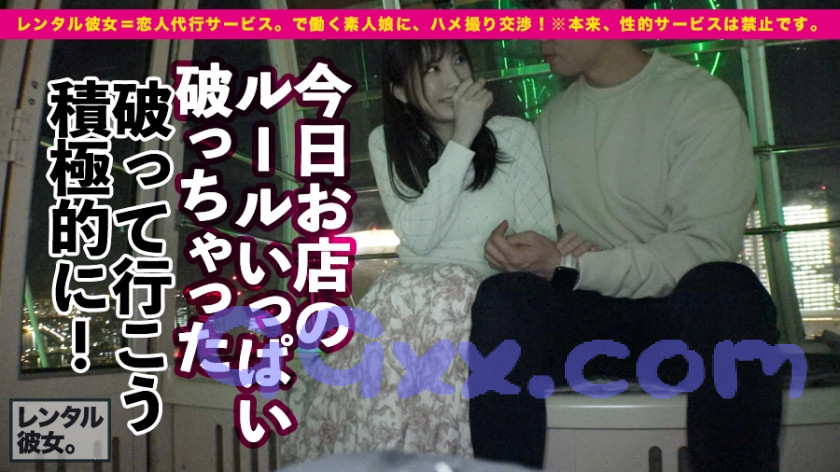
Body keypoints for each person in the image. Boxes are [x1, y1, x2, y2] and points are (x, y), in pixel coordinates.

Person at [469, 1, 782, 471]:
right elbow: (548, 238)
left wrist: (574, 266)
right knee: (503, 298)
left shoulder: (699, 101)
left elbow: (702, 249)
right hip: (590, 317)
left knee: (730, 293)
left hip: (679, 322)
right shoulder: (553, 119)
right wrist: (524, 250)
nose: (539, 36)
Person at [278, 40, 563, 463]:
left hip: (486, 309)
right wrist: (463, 137)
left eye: (459, 60)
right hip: (406, 307)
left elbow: (537, 239)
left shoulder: (514, 135)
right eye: (432, 69)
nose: (454, 78)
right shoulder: (386, 142)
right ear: (400, 90)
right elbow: (418, 236)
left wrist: (508, 252)